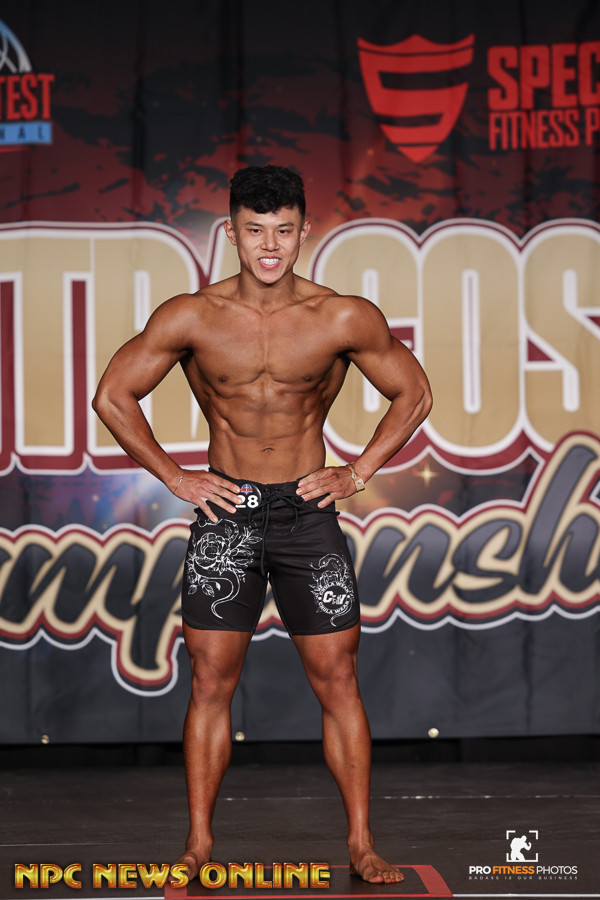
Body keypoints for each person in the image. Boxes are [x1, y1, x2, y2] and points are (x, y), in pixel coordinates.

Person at [93, 165, 432, 884]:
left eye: (283, 230)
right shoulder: (192, 316)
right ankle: (198, 843)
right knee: (209, 682)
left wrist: (358, 471)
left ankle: (362, 841)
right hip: (230, 515)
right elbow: (113, 395)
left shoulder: (342, 317)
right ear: (232, 233)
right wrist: (176, 476)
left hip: (309, 514)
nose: (269, 245)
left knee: (338, 677)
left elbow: (414, 393)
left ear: (304, 231)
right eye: (255, 231)